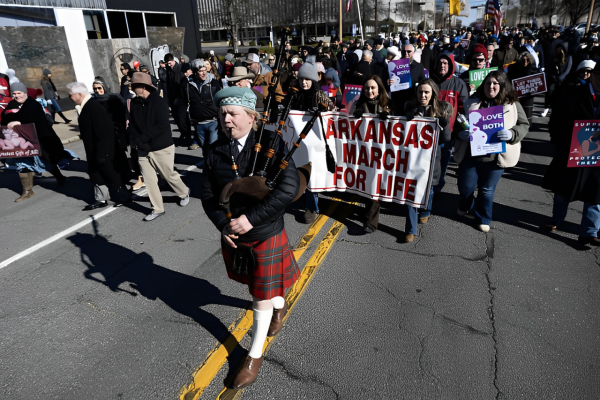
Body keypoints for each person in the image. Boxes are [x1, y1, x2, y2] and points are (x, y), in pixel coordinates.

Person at [199, 86, 300, 389]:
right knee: (263, 291)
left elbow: (287, 190)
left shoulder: (273, 143)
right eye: (223, 114)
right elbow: (207, 195)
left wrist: (250, 219)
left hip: (265, 232)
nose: (225, 119)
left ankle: (253, 357)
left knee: (259, 296)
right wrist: (223, 224)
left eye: (232, 114)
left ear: (251, 117)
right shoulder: (216, 151)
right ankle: (279, 304)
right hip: (235, 235)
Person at [453, 71, 529, 232]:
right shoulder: (472, 101)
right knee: (465, 187)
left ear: (502, 85)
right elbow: (457, 124)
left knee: (486, 190)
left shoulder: (512, 104)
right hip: (471, 154)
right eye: (488, 83)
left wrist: (512, 134)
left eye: (495, 83)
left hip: (496, 157)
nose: (491, 86)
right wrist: (460, 133)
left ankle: (483, 218)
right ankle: (467, 203)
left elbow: (524, 124)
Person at [541, 65, 600, 245]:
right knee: (563, 187)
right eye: (598, 75)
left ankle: (589, 231)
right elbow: (556, 119)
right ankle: (557, 219)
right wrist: (561, 141)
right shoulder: (573, 93)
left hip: (597, 154)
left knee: (596, 192)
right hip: (571, 148)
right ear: (591, 76)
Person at [127, 72, 190, 221]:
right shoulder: (134, 103)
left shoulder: (159, 102)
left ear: (142, 87)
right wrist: (137, 141)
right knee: (149, 180)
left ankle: (184, 192)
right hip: (143, 148)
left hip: (161, 147)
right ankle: (157, 208)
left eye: (133, 86)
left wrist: (142, 139)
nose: (131, 88)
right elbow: (133, 125)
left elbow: (161, 126)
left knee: (168, 175)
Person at [2, 82, 72, 201]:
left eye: (19, 93)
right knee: (23, 164)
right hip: (22, 142)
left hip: (40, 140)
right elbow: (5, 117)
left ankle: (60, 178)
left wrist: (19, 122)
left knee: (47, 161)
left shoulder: (32, 104)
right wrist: (11, 119)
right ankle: (27, 191)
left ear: (25, 93)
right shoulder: (13, 104)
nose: (16, 96)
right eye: (13, 94)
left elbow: (32, 117)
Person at [402, 79, 453, 241]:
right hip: (412, 159)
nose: (422, 95)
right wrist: (405, 119)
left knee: (429, 191)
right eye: (420, 92)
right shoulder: (409, 108)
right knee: (411, 192)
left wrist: (444, 126)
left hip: (432, 160)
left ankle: (426, 211)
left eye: (426, 92)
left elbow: (445, 140)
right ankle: (410, 230)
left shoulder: (441, 110)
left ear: (433, 94)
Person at [67, 82, 132, 210]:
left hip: (102, 150)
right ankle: (101, 199)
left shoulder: (94, 107)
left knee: (112, 174)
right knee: (96, 174)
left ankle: (124, 196)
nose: (70, 98)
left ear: (79, 94)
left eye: (71, 95)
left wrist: (103, 153)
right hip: (93, 149)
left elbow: (105, 131)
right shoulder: (86, 106)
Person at [289, 57, 335, 223]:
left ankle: (312, 207)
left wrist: (321, 111)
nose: (304, 83)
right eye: (301, 79)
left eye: (307, 79)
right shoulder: (295, 95)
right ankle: (300, 196)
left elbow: (332, 111)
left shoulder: (319, 95)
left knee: (312, 174)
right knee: (299, 171)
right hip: (298, 141)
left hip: (316, 141)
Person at [349, 76, 391, 233]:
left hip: (381, 152)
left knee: (375, 184)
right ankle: (368, 212)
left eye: (373, 88)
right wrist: (355, 114)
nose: (370, 91)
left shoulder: (387, 104)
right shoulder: (357, 104)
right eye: (367, 88)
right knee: (366, 182)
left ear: (379, 89)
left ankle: (371, 221)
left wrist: (388, 118)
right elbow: (348, 124)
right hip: (363, 152)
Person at [431, 53, 469, 194]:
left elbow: (464, 110)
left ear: (451, 66)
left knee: (443, 162)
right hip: (429, 131)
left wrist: (459, 130)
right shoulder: (430, 82)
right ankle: (429, 189)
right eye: (440, 63)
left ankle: (438, 187)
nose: (442, 65)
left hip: (448, 133)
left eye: (445, 63)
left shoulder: (458, 84)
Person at [183, 59, 223, 152]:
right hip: (198, 123)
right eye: (200, 71)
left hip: (213, 122)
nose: (204, 73)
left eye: (205, 70)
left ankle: (213, 165)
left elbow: (221, 100)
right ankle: (207, 165)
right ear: (194, 72)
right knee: (204, 149)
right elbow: (183, 102)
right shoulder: (187, 85)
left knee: (212, 146)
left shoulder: (214, 84)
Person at [387, 44, 426, 115]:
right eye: (404, 51)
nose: (406, 53)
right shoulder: (394, 65)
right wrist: (389, 82)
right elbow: (387, 83)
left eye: (409, 51)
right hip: (397, 101)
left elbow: (423, 83)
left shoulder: (419, 66)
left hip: (411, 101)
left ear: (413, 53)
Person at [164, 53, 191, 144]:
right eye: (167, 63)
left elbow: (187, 66)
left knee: (182, 118)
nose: (169, 65)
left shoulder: (180, 68)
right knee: (177, 118)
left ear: (173, 61)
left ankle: (187, 134)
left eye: (169, 62)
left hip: (181, 98)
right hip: (173, 98)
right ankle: (183, 134)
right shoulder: (168, 70)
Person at [541, 42, 572, 117]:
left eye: (560, 48)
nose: (558, 50)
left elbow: (568, 69)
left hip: (563, 80)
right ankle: (547, 107)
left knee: (560, 95)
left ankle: (555, 109)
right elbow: (549, 68)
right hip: (553, 79)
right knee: (550, 92)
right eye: (557, 48)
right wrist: (554, 77)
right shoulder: (553, 57)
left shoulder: (568, 57)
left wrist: (561, 77)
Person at [507, 52, 537, 125]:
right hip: (517, 94)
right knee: (518, 111)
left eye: (527, 60)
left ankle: (528, 125)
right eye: (523, 60)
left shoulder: (533, 69)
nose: (525, 62)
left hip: (528, 95)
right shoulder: (514, 68)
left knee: (528, 111)